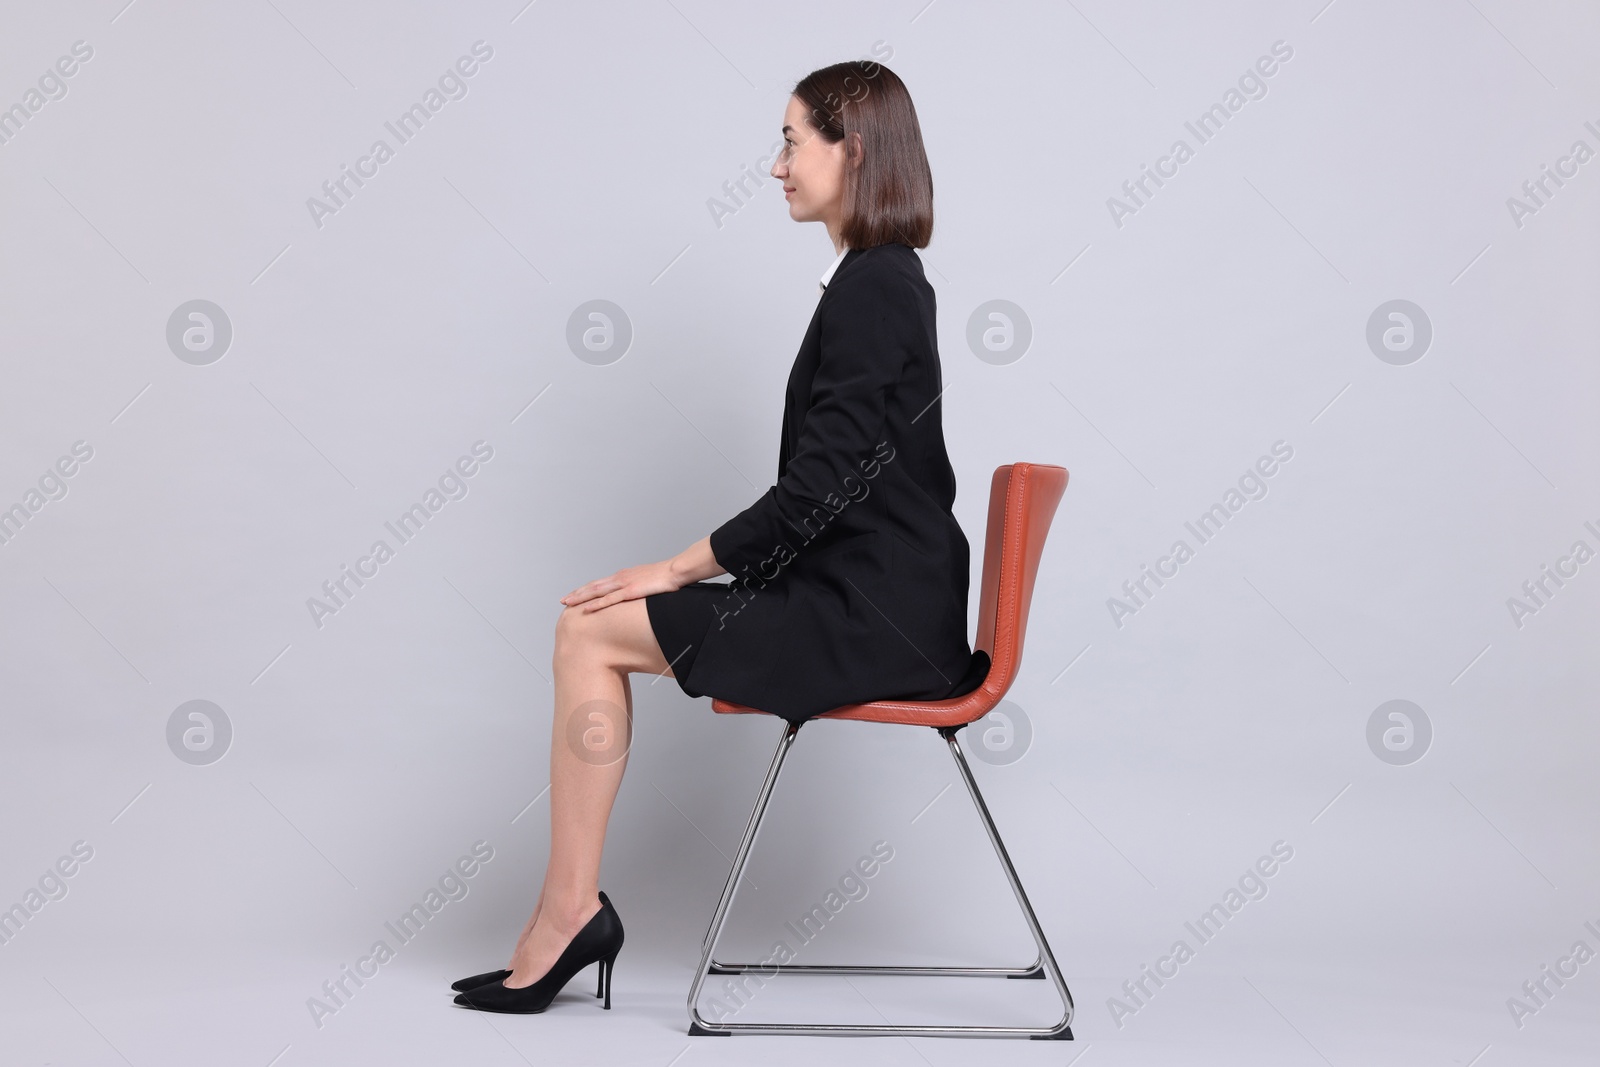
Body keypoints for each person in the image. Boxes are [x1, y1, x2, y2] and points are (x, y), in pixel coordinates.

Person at [451, 59, 988, 1015]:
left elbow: (815, 493)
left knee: (587, 630)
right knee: (596, 625)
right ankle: (567, 913)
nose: (776, 166)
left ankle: (569, 914)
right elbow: (825, 496)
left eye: (791, 140)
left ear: (850, 151)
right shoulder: (880, 281)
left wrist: (668, 568)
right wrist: (701, 577)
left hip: (871, 620)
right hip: (874, 602)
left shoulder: (875, 288)